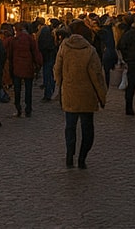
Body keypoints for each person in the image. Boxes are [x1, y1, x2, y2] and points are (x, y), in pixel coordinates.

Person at [54, 20, 106, 169]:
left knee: (70, 126)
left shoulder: (64, 47)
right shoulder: (90, 50)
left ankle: (70, 155)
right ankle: (82, 158)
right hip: (87, 95)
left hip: (69, 93)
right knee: (87, 128)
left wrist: (61, 84)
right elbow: (97, 76)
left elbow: (57, 69)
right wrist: (102, 97)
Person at [9, 22, 43, 118]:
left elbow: (10, 55)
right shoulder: (30, 39)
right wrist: (39, 63)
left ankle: (18, 107)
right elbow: (35, 52)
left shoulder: (14, 40)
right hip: (28, 67)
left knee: (17, 89)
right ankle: (28, 109)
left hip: (17, 67)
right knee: (28, 90)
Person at [37, 18, 59, 102]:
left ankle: (48, 94)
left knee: (48, 75)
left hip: (47, 56)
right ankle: (51, 92)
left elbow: (43, 45)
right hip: (50, 55)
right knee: (50, 75)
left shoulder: (45, 31)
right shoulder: (50, 31)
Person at [98, 15, 119, 86]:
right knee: (107, 69)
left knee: (106, 70)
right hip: (109, 52)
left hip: (107, 52)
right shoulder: (111, 30)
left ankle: (107, 83)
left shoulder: (108, 30)